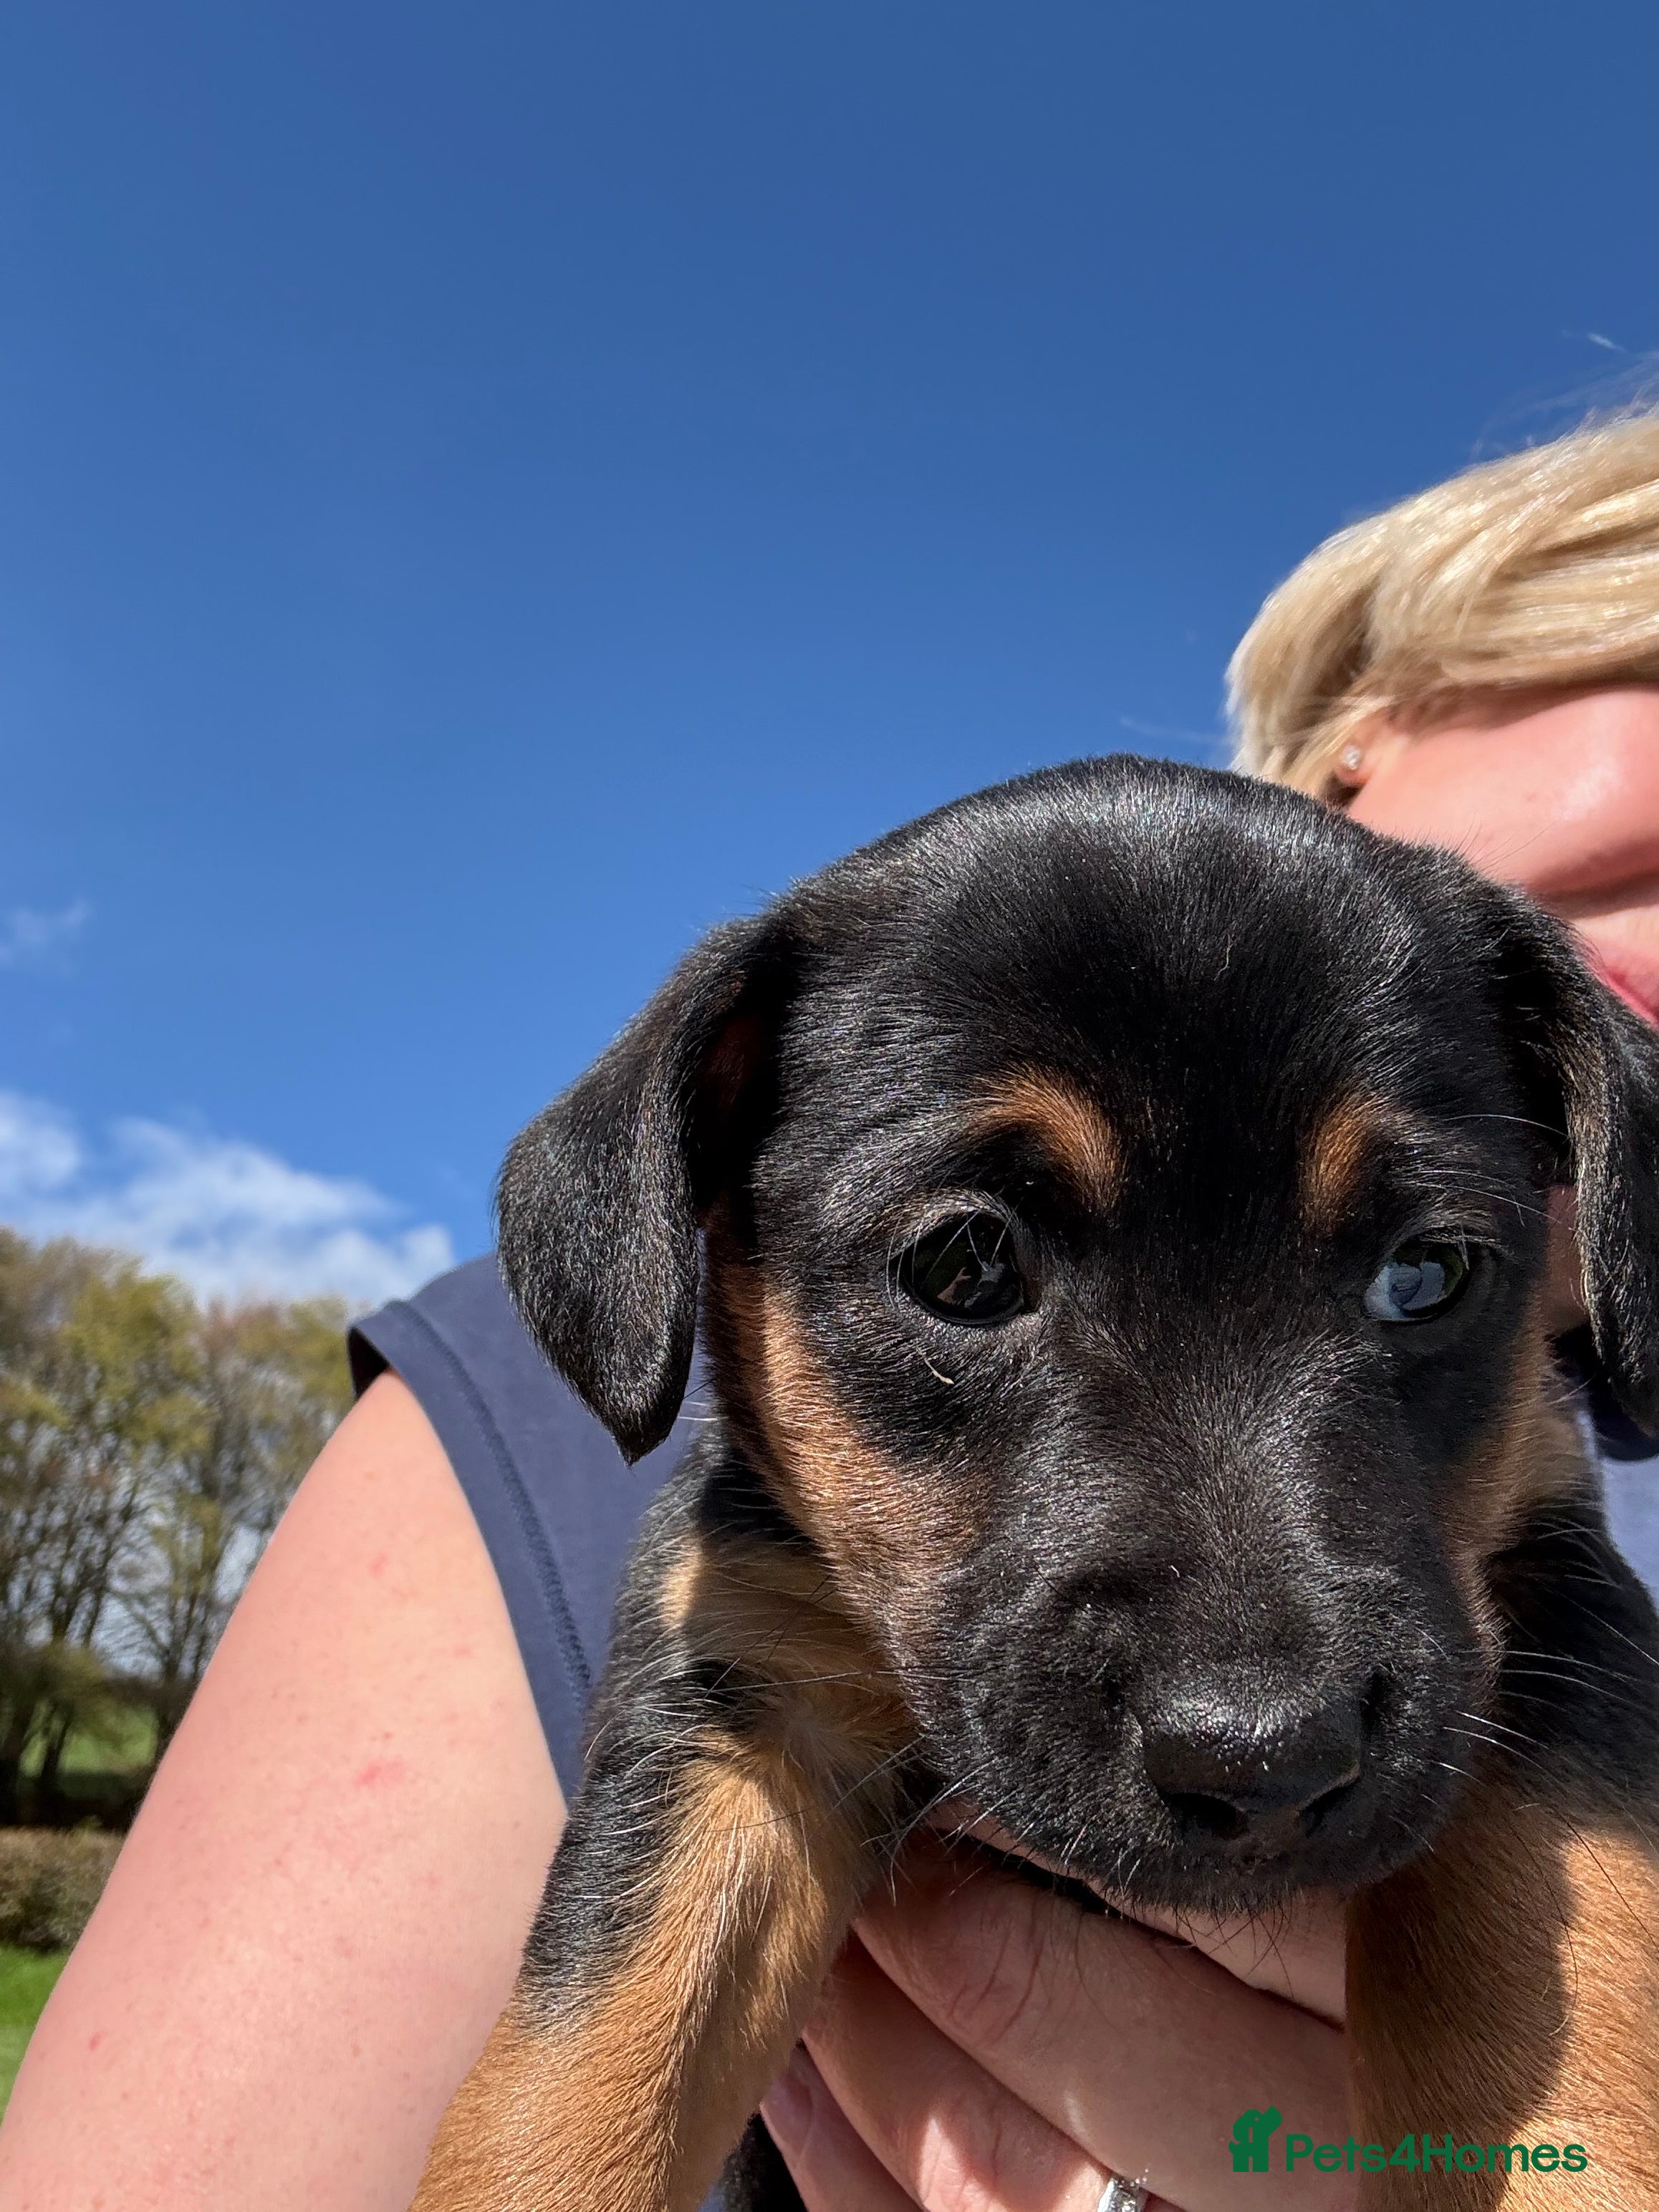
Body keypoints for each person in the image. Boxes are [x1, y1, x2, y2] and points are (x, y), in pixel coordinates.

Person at [3, 413, 1658, 2212]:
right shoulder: (538, 1456)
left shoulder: (1536, 1427)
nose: (1259, 1694)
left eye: (1423, 1272)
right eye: (966, 1269)